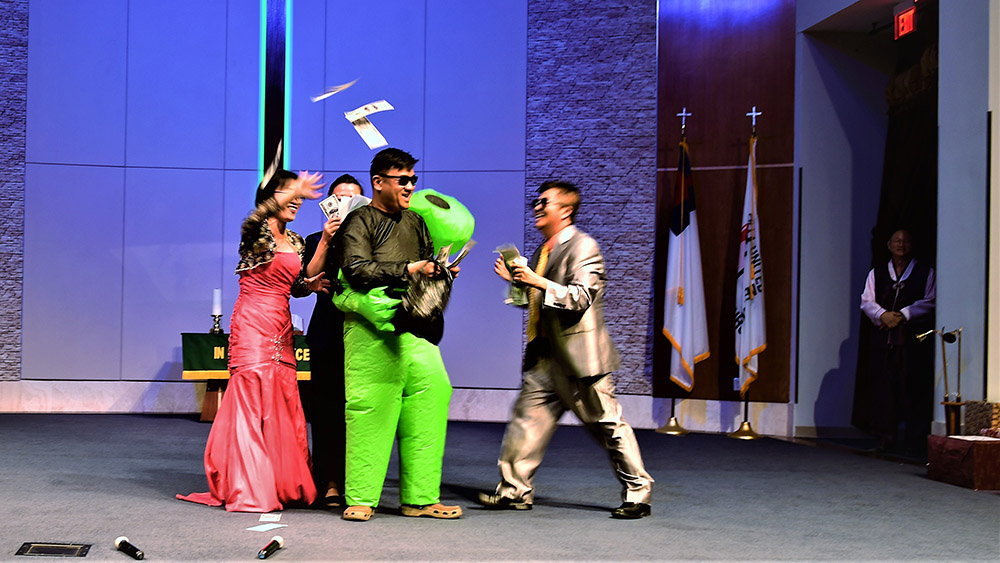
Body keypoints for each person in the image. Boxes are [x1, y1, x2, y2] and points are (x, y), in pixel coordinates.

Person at [478, 180, 654, 519]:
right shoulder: (543, 251)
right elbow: (538, 302)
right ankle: (514, 491)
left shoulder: (583, 246)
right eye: (536, 202)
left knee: (608, 426)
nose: (537, 207)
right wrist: (517, 284)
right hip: (544, 357)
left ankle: (638, 494)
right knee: (526, 425)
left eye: (545, 202)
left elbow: (580, 298)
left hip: (578, 358)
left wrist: (535, 280)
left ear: (566, 210)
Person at [178, 169, 328, 512]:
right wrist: (295, 189)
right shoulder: (255, 232)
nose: (297, 200)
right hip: (252, 322)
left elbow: (297, 286)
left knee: (282, 400)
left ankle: (278, 483)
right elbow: (254, 217)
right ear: (271, 198)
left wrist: (315, 276)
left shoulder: (296, 240)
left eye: (299, 196)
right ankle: (248, 485)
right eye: (290, 194)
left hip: (281, 325)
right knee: (250, 399)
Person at [334, 148, 461, 521]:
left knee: (433, 394)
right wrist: (409, 268)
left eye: (413, 180)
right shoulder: (360, 220)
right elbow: (355, 269)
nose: (410, 186)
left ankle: (421, 498)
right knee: (371, 408)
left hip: (414, 323)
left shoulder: (416, 221)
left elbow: (423, 264)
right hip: (371, 328)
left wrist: (438, 272)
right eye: (402, 179)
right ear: (378, 182)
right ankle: (361, 497)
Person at [301, 174, 365, 508]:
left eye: (353, 198)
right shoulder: (315, 239)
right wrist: (328, 239)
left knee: (360, 412)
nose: (345, 204)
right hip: (327, 333)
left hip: (365, 335)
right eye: (339, 198)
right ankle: (328, 481)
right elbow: (306, 279)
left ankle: (358, 481)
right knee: (326, 412)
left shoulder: (373, 240)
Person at [856, 229, 936, 455]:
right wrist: (882, 315)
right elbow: (866, 301)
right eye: (897, 241)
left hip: (912, 343)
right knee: (883, 389)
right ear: (889, 245)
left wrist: (902, 315)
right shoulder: (877, 273)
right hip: (882, 341)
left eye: (906, 241)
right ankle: (885, 437)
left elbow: (930, 300)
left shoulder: (925, 272)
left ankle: (914, 440)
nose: (901, 245)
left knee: (912, 388)